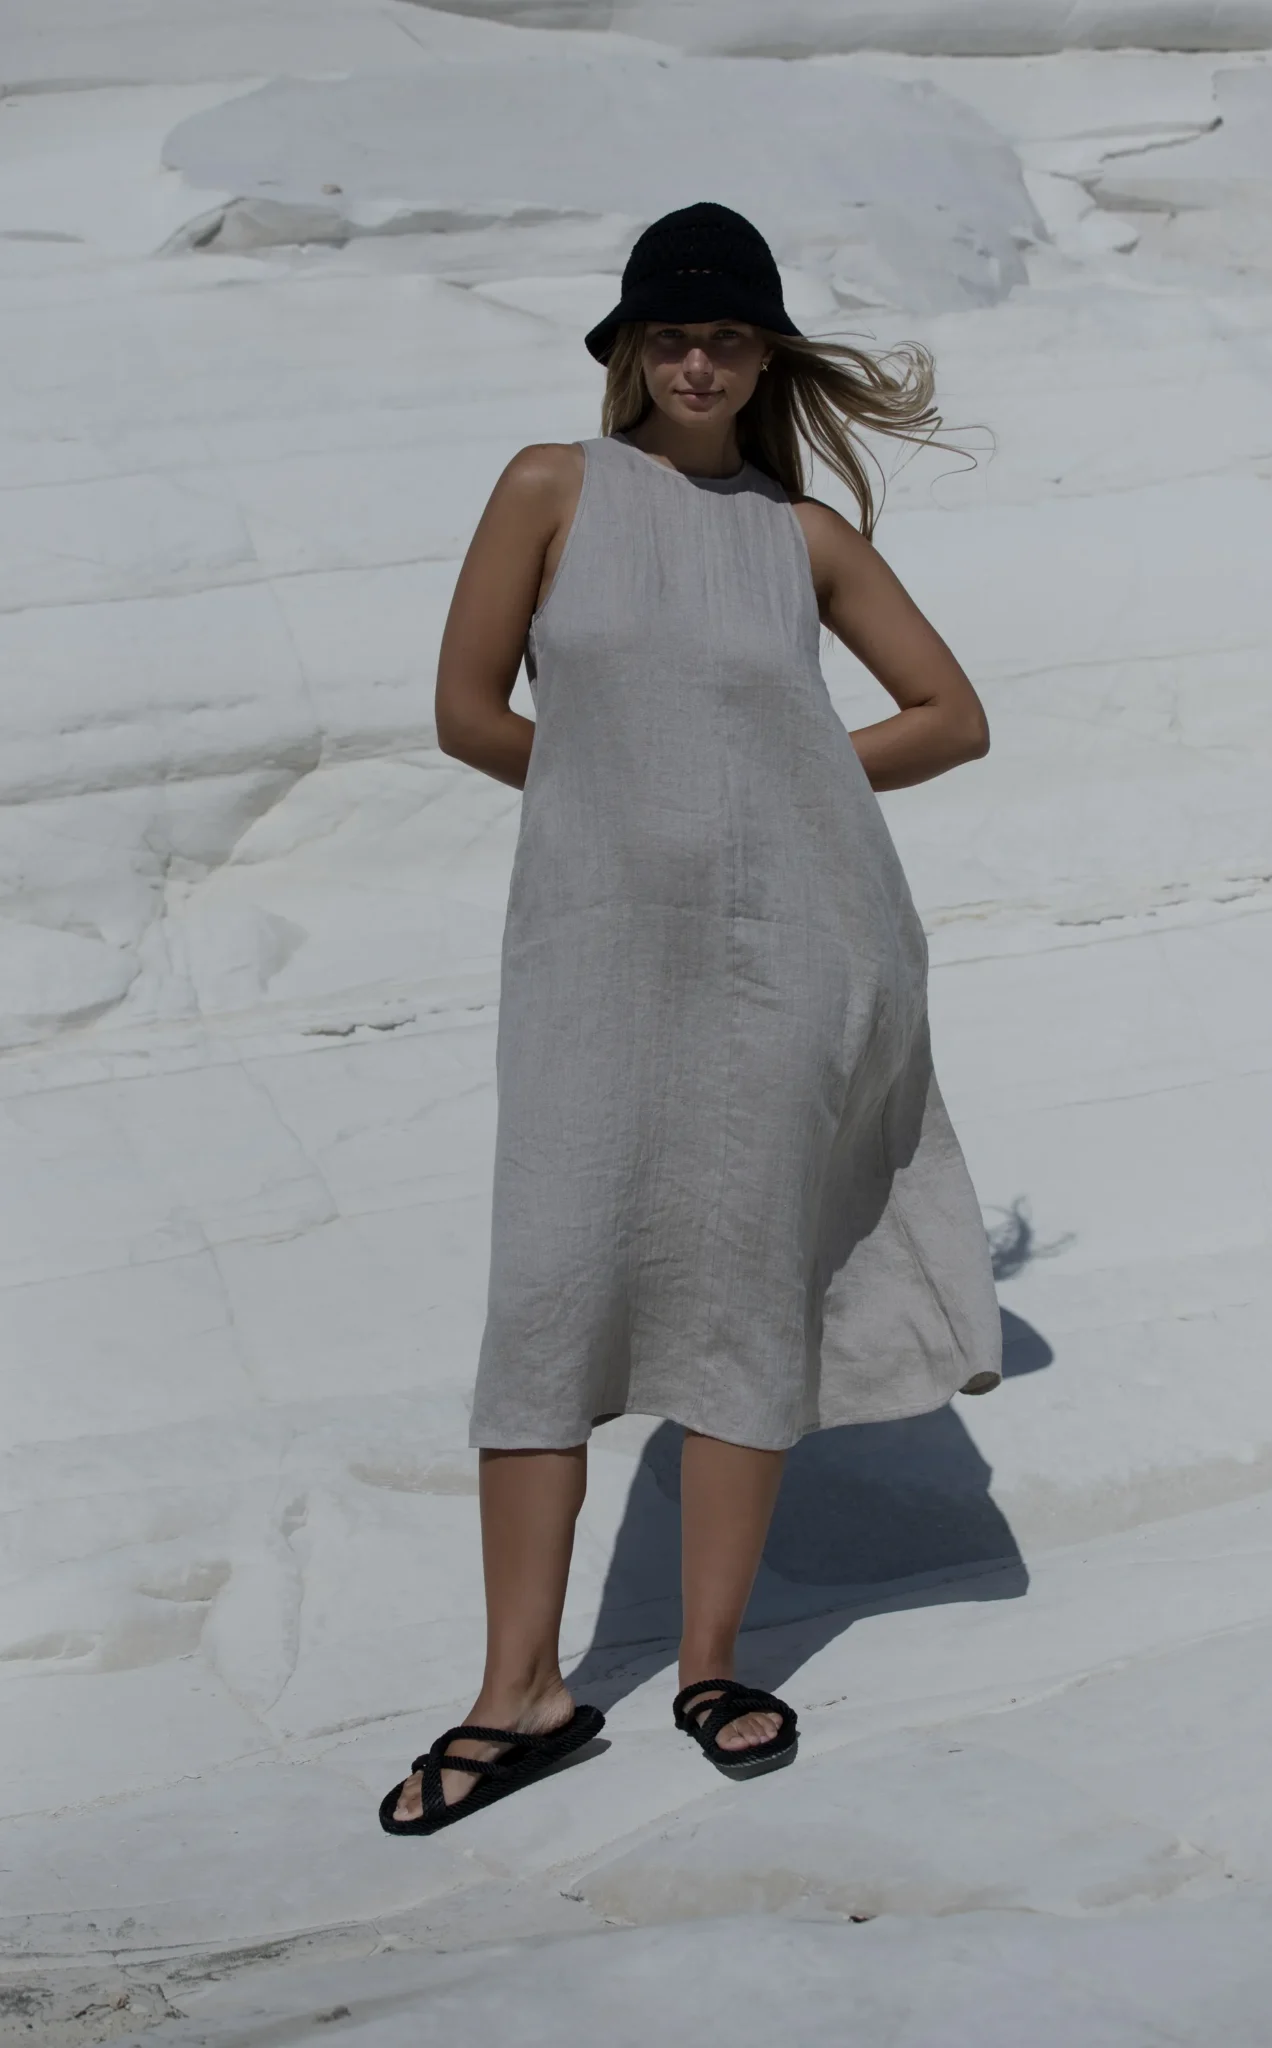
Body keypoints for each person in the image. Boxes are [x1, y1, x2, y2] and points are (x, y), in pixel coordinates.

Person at [380, 202, 1001, 1836]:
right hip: (592, 956)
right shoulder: (552, 487)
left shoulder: (802, 538)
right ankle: (518, 1691)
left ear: (767, 358)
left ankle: (713, 1665)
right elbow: (465, 711)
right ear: (631, 350)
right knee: (549, 1291)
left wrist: (771, 791)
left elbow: (952, 719)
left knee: (743, 1293)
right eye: (673, 335)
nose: (701, 362)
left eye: (728, 338)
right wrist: (621, 791)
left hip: (784, 959)